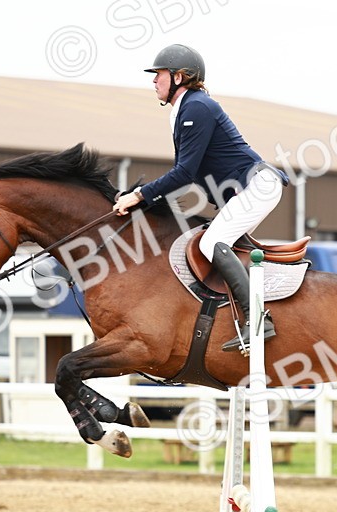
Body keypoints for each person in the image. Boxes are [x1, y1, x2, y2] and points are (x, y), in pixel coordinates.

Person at [113, 43, 287, 353]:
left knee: (210, 244)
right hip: (246, 190)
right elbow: (189, 174)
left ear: (179, 77)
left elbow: (184, 173)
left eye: (159, 74)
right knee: (207, 238)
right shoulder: (185, 109)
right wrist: (144, 200)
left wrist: (139, 196)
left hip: (257, 186)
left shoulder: (196, 108)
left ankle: (258, 320)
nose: (154, 80)